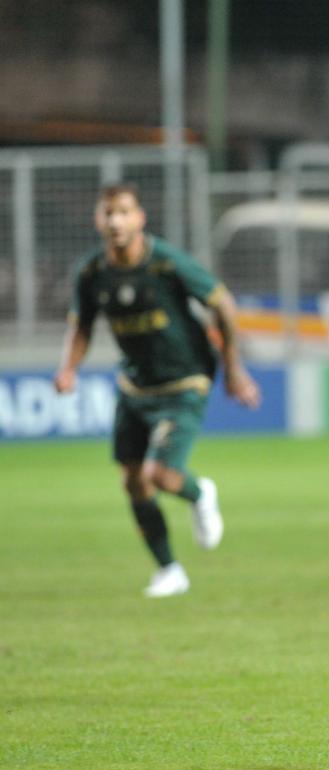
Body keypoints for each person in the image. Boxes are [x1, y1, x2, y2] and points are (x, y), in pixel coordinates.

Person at [54, 183, 261, 598]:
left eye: (124, 212)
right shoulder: (92, 272)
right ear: (98, 220)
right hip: (134, 384)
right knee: (132, 480)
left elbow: (222, 303)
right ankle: (169, 570)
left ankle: (200, 492)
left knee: (161, 475)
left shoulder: (166, 263)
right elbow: (82, 325)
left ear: (139, 218)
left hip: (184, 380)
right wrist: (69, 368)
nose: (115, 221)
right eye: (108, 213)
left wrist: (234, 368)